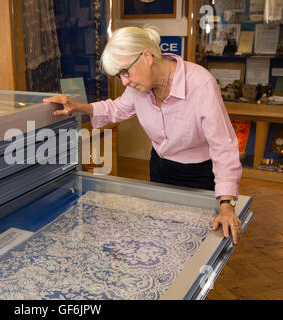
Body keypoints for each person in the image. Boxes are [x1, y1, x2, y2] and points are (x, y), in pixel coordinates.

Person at [43, 26, 243, 245]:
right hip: (161, 168)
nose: (124, 82)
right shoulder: (136, 89)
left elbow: (223, 145)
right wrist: (77, 106)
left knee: (195, 243)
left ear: (147, 56)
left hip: (200, 175)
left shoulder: (200, 83)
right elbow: (116, 109)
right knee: (161, 235)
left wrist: (226, 204)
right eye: (119, 75)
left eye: (125, 72)